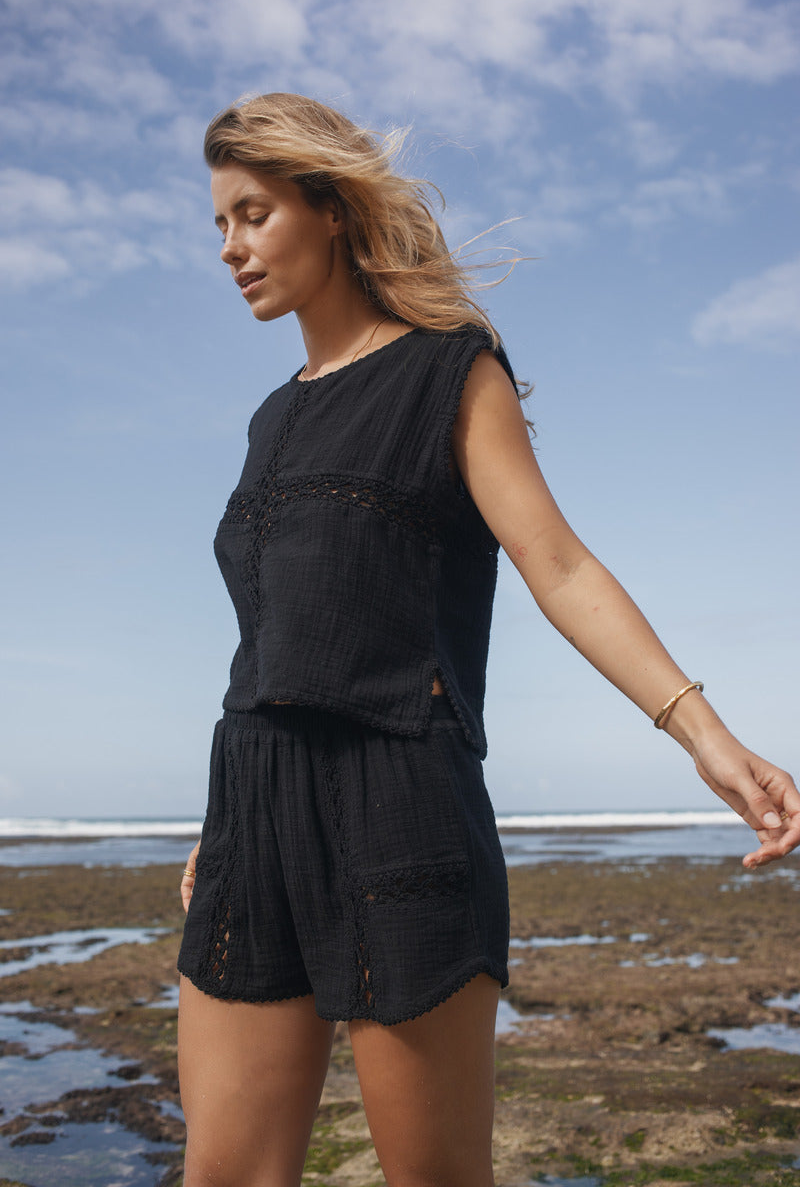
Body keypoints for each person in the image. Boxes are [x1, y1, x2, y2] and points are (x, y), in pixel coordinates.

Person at [176, 92, 799, 1187]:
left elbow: (556, 564)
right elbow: (270, 645)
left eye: (251, 213)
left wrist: (705, 737)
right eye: (219, 223)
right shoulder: (270, 417)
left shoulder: (447, 370)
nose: (228, 247)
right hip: (250, 810)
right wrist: (222, 825)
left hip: (396, 799)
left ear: (327, 208)